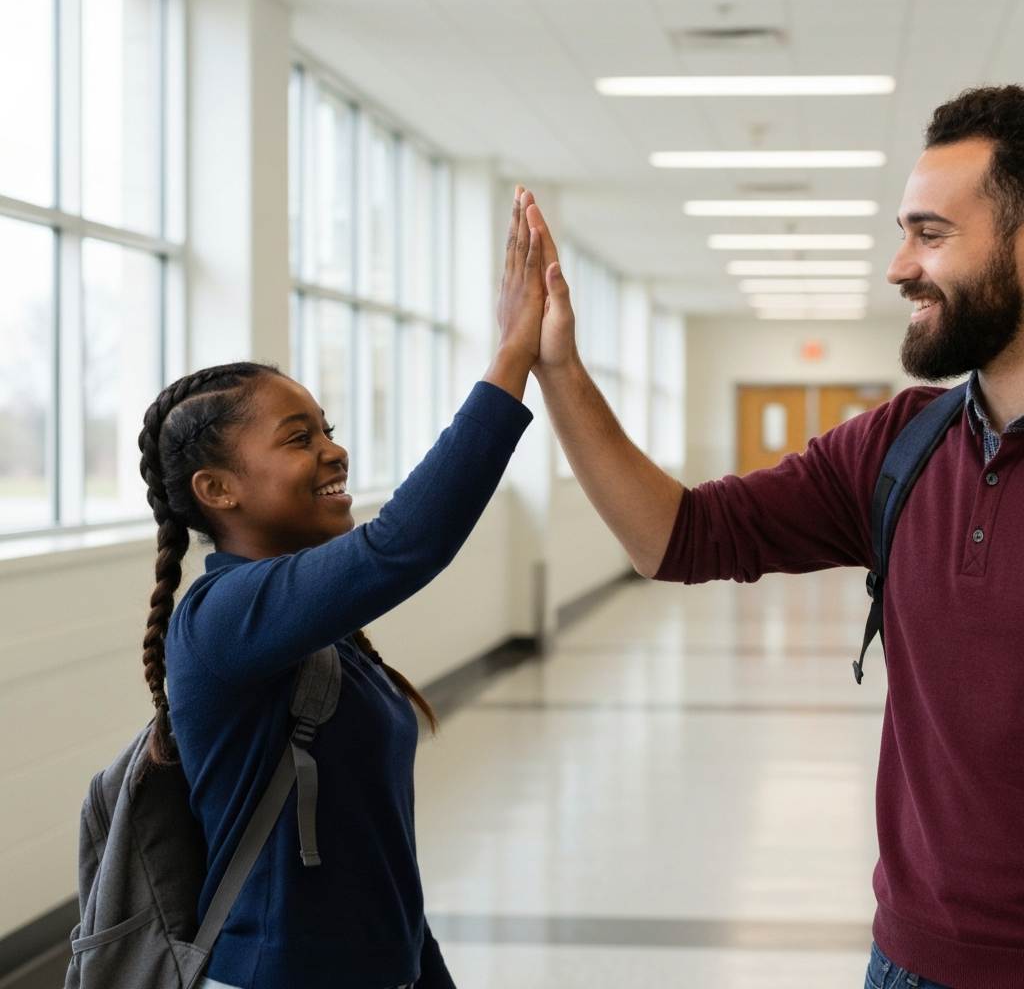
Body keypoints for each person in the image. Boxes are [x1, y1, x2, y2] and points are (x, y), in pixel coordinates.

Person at [522, 86, 1024, 989]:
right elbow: (679, 536)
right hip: (911, 960)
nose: (899, 266)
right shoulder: (897, 447)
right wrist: (559, 372)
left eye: (931, 234)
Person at [137, 189, 545, 989]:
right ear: (218, 490)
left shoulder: (309, 625)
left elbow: (371, 852)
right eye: (300, 439)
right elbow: (403, 546)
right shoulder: (224, 617)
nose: (334, 451)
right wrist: (510, 361)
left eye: (326, 428)